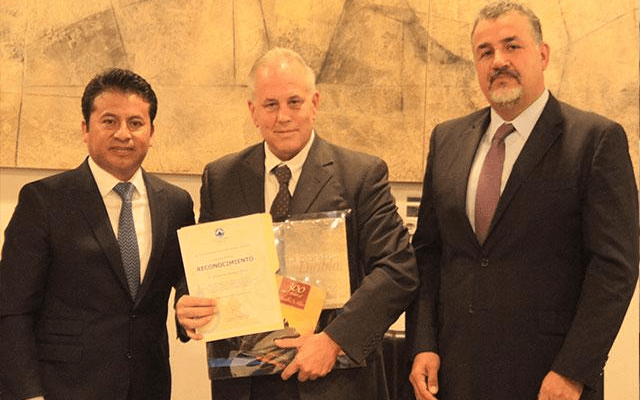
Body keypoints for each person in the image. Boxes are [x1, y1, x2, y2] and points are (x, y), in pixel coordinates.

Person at [406, 2, 639, 400]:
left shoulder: (595, 140)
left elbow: (614, 268)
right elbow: (429, 252)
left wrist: (573, 370)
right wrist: (423, 343)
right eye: (485, 52)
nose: (498, 61)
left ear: (542, 55)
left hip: (550, 379)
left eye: (512, 46)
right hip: (455, 373)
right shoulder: (447, 139)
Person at [175, 47, 419, 400]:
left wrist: (334, 341)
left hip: (335, 382)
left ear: (314, 104)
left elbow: (398, 270)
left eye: (294, 102)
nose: (283, 116)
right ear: (253, 111)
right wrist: (186, 304)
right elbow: (203, 267)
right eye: (270, 105)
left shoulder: (361, 175)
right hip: (246, 384)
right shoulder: (221, 178)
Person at [0, 68, 195, 400]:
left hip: (148, 386)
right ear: (85, 129)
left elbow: (187, 278)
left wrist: (188, 311)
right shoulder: (44, 201)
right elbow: (12, 309)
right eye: (109, 121)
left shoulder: (176, 204)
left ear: (151, 132)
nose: (123, 134)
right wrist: (26, 394)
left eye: (136, 123)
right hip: (63, 388)